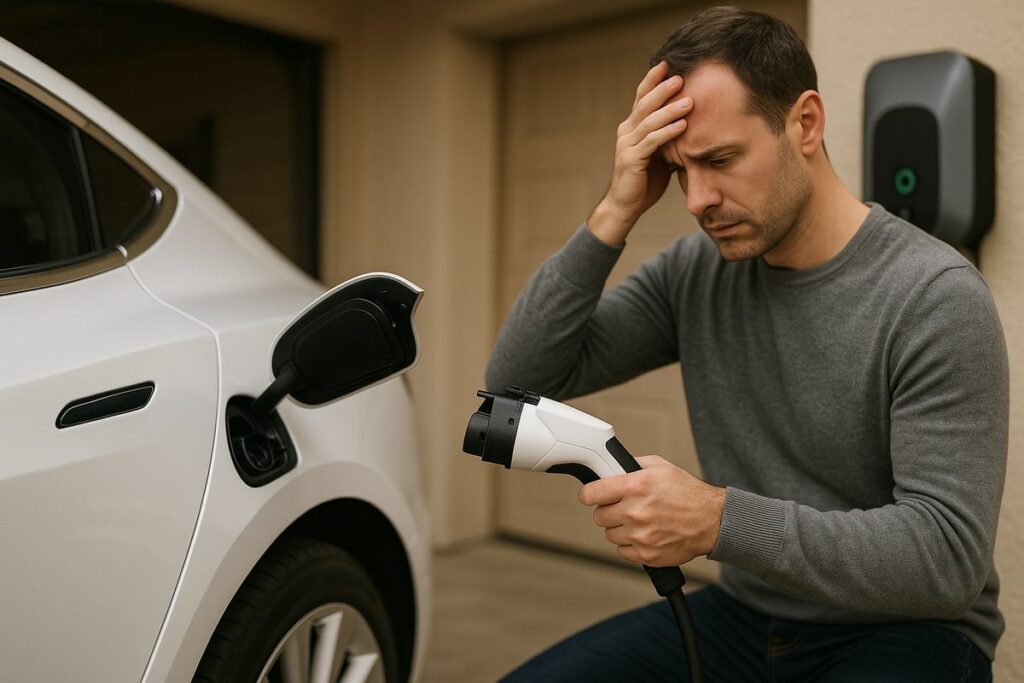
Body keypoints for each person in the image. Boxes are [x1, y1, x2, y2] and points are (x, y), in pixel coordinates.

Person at [485, 6, 1007, 682]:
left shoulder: (933, 294)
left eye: (721, 159)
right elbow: (517, 380)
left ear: (805, 123)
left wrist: (718, 519)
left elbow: (945, 560)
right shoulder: (695, 272)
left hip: (904, 631)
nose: (698, 198)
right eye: (678, 169)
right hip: (746, 614)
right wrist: (616, 209)